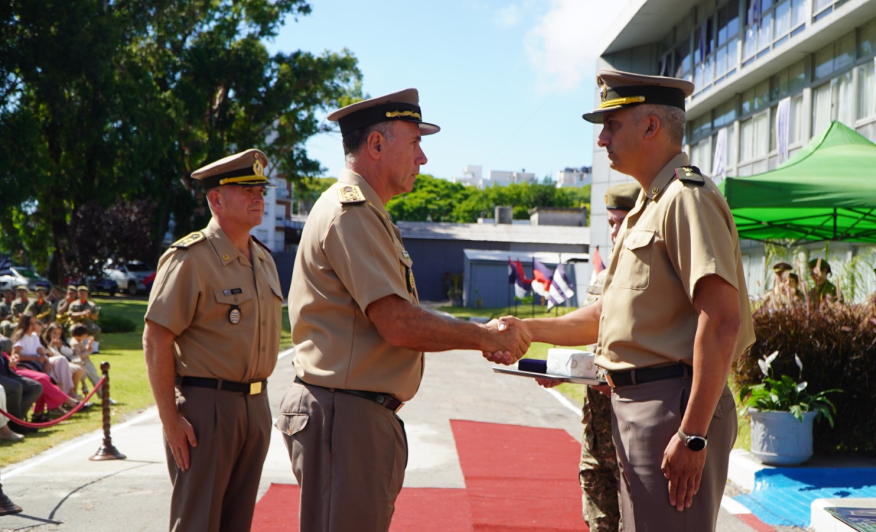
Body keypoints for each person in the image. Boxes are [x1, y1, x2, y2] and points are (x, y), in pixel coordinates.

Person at [492, 70, 754, 532]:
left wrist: (692, 435)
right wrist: (530, 331)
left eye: (612, 124)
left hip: (671, 407)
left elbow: (722, 320)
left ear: (651, 126)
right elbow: (605, 314)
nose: (601, 139)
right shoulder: (649, 204)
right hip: (639, 406)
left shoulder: (685, 198)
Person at [280, 88, 530, 532]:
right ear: (376, 145)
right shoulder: (351, 211)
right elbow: (397, 323)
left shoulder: (368, 213)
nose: (424, 158)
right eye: (415, 142)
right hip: (346, 417)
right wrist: (485, 336)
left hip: (353, 414)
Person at [143, 148, 284, 532]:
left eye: (260, 188)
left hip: (256, 406)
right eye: (245, 188)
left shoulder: (264, 260)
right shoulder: (190, 258)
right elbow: (157, 337)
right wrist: (170, 417)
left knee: (237, 522)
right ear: (215, 199)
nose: (259, 196)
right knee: (198, 522)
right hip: (207, 408)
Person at [537, 182, 641, 531]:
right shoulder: (600, 284)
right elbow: (597, 348)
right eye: (611, 223)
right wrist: (566, 371)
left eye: (622, 221)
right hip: (597, 438)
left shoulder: (658, 283)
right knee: (599, 524)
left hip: (637, 439)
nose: (615, 232)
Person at [0, 346, 42, 435]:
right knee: (15, 387)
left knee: (35, 387)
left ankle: (16, 422)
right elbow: (7, 342)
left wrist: (9, 360)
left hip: (6, 372)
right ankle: (16, 425)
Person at [42, 322, 85, 398]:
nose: (56, 336)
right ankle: (69, 393)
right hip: (53, 364)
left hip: (64, 362)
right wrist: (51, 346)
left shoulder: (61, 343)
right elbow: (50, 354)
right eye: (54, 333)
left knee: (79, 370)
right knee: (71, 369)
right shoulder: (45, 343)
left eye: (59, 334)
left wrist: (61, 346)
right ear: (49, 333)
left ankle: (73, 392)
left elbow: (70, 352)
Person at [69, 325, 103, 399]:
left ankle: (103, 395)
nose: (86, 337)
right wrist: (89, 351)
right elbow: (79, 356)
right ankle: (103, 396)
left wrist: (88, 345)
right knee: (95, 379)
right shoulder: (75, 343)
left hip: (85, 364)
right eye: (85, 335)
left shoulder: (78, 341)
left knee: (95, 379)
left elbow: (83, 351)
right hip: (84, 365)